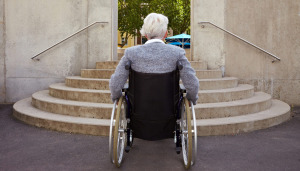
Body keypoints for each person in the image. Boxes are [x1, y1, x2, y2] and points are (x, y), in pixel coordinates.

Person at [109, 13, 199, 105]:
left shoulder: (131, 53)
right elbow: (192, 84)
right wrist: (191, 98)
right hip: (169, 111)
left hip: (137, 112)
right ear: (165, 33)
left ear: (145, 34)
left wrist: (116, 96)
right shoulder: (177, 53)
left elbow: (115, 84)